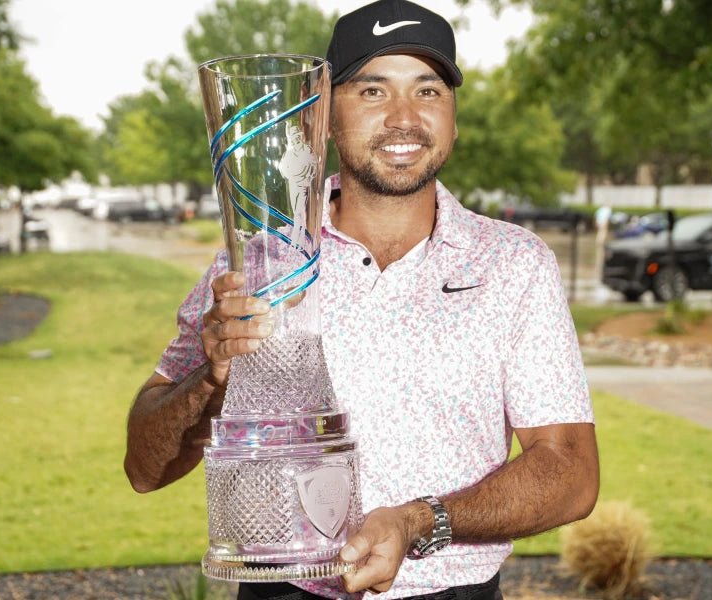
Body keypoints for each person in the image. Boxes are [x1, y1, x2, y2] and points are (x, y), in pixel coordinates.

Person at [124, 1, 599, 598]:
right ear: (321, 118)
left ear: (453, 116)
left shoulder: (512, 263)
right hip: (283, 591)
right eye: (372, 91)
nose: (404, 117)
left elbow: (572, 474)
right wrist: (211, 376)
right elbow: (145, 469)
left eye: (428, 91)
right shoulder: (260, 261)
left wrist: (419, 521)